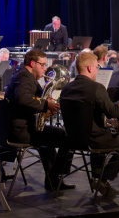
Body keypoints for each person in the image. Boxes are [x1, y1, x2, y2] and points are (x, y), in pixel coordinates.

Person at [60, 51, 119, 199]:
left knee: (101, 136)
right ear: (89, 68)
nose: (98, 70)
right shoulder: (96, 88)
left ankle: (97, 179)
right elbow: (113, 112)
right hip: (93, 140)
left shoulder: (66, 88)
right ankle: (102, 179)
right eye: (97, 67)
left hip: (72, 140)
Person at [6, 48, 74, 191]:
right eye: (42, 65)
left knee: (48, 140)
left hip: (19, 128)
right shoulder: (24, 77)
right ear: (32, 63)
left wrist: (44, 102)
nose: (44, 69)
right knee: (65, 136)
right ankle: (57, 174)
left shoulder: (21, 74)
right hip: (22, 131)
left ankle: (52, 180)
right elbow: (22, 98)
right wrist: (45, 104)